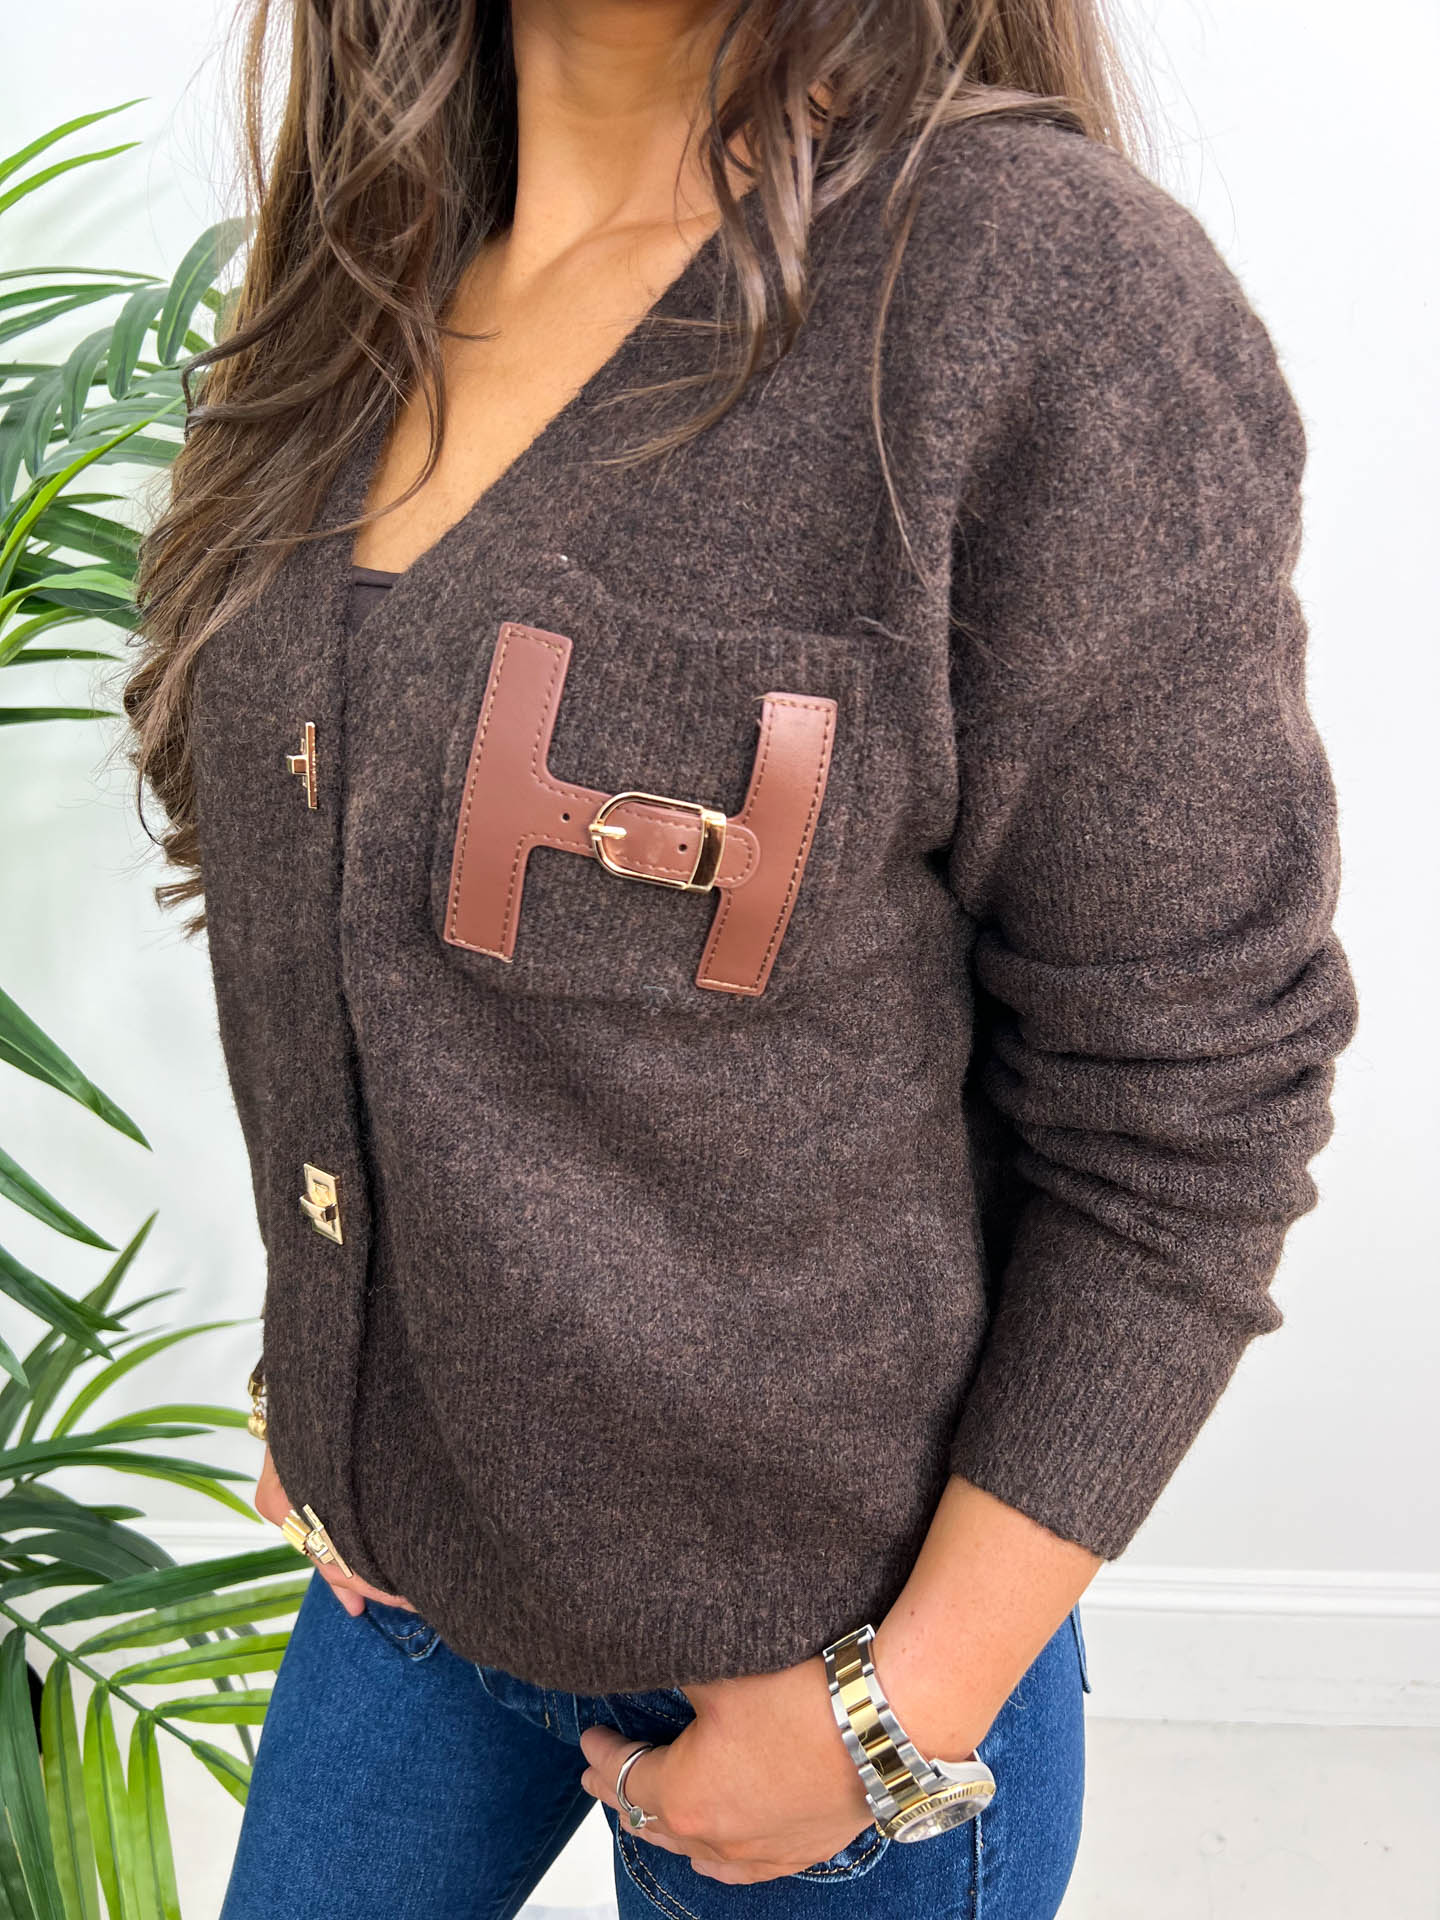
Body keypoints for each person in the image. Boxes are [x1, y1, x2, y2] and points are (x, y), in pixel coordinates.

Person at [122, 0, 1359, 1914]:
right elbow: (328, 910)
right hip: (401, 1581)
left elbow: (1194, 1103)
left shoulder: (1034, 299)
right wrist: (333, 1371)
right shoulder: (359, 287)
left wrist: (897, 1708)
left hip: (825, 1660)